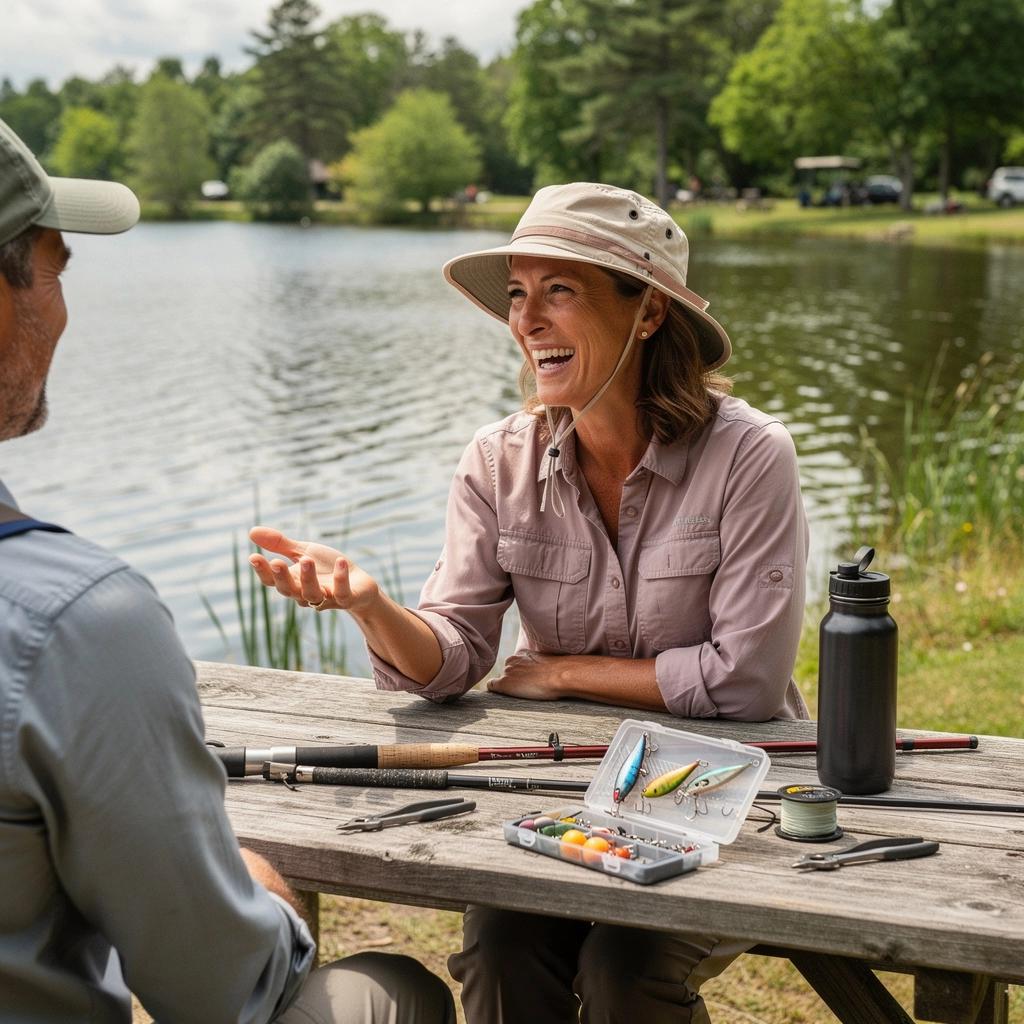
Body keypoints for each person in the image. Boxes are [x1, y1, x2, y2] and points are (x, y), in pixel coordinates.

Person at [250, 181, 809, 1023]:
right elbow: (451, 661)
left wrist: (562, 675)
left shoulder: (751, 457)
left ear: (648, 313)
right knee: (501, 952)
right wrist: (371, 606)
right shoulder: (496, 461)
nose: (527, 320)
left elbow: (747, 684)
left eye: (560, 291)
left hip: (720, 791)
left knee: (624, 970)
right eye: (518, 294)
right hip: (564, 787)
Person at [0, 117, 455, 1024]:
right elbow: (220, 991)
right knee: (391, 993)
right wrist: (258, 890)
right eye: (55, 266)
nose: (62, 305)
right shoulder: (76, 622)